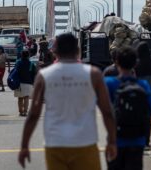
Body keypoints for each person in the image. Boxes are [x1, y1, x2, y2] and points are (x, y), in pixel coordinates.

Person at [18, 33, 117, 170]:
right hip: (85, 144)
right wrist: (112, 141)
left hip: (55, 145)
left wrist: (24, 146)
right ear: (77, 51)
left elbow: (33, 115)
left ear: (55, 51)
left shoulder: (44, 76)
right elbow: (107, 111)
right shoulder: (93, 74)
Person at [105, 46, 151, 170]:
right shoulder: (142, 84)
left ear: (116, 62)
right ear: (135, 63)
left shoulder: (109, 83)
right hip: (137, 140)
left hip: (115, 139)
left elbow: (103, 108)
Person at [14, 50, 37, 116]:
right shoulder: (31, 64)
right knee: (26, 97)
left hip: (19, 83)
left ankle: (20, 112)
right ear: (28, 56)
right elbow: (34, 73)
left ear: (21, 55)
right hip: (28, 83)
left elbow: (15, 71)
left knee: (20, 98)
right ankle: (25, 111)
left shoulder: (18, 62)